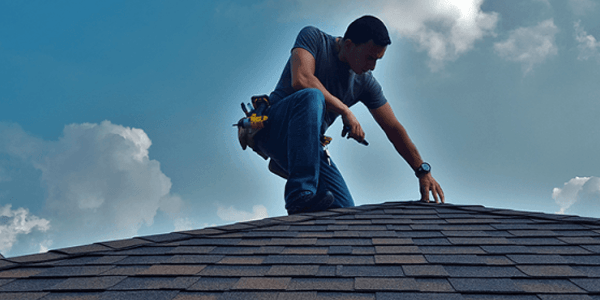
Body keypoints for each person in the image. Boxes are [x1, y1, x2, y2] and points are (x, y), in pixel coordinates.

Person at [253, 15, 444, 215]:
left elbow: (393, 128)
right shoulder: (314, 38)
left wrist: (422, 171)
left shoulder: (365, 83)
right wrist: (345, 110)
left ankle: (298, 173)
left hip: (309, 147)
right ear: (349, 45)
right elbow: (301, 78)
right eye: (370, 57)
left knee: (344, 212)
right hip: (273, 128)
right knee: (311, 96)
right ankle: (298, 194)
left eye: (378, 60)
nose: (372, 67)